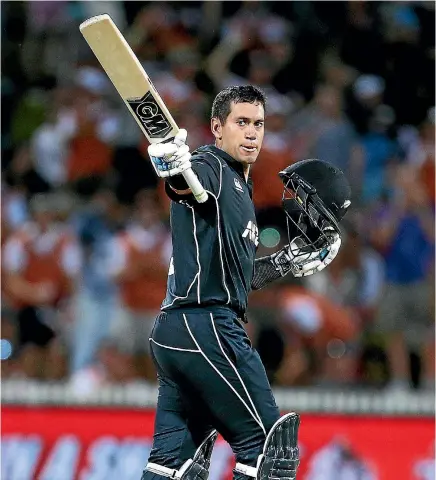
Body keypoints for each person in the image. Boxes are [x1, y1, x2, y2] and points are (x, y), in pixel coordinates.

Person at [141, 85, 351, 480]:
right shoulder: (212, 166)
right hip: (207, 327)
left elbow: (235, 276)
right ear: (217, 127)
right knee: (269, 454)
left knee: (171, 468)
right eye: (241, 123)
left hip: (177, 332)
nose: (252, 132)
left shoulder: (240, 187)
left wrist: (285, 261)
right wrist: (173, 170)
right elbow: (186, 183)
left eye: (259, 124)